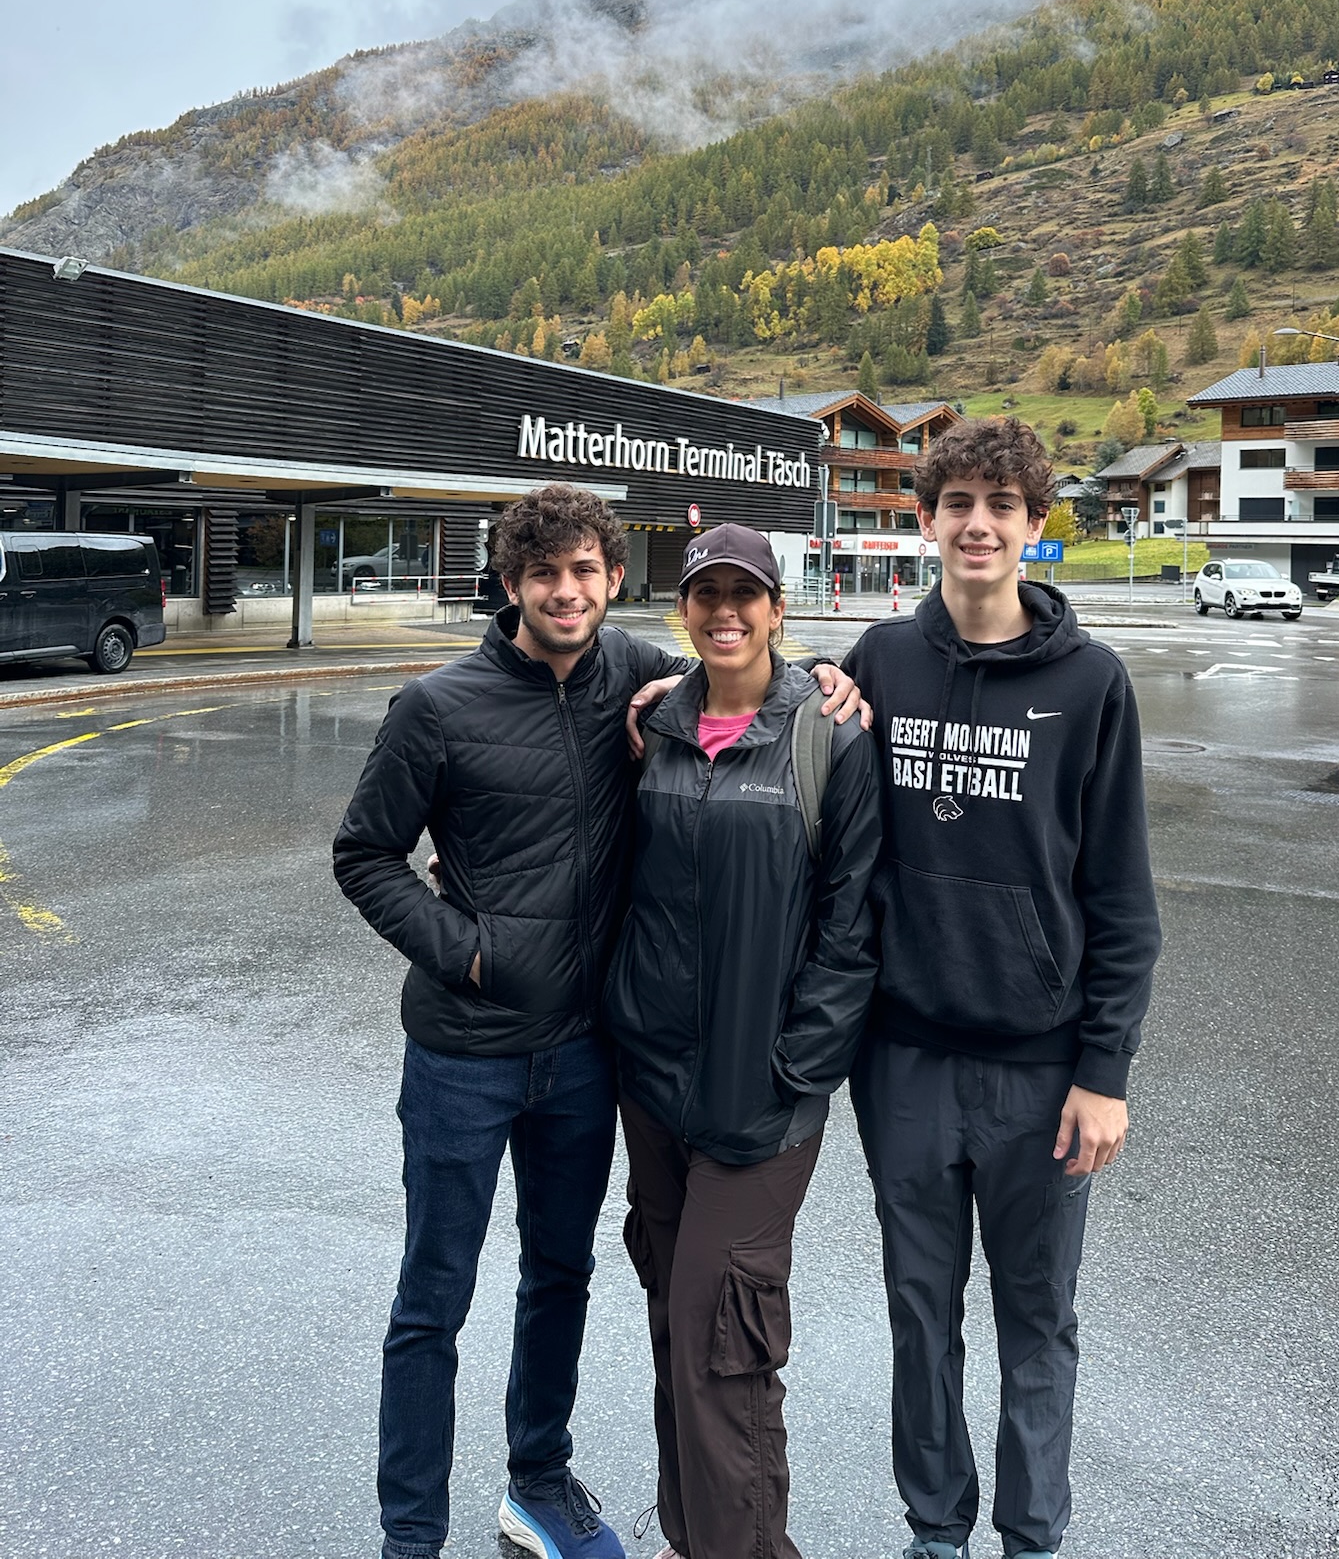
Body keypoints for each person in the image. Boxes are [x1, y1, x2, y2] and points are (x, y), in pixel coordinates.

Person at [332, 485, 862, 1559]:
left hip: (583, 1053)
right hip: (463, 1052)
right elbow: (364, 854)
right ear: (511, 583)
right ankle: (410, 1533)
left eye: (584, 570)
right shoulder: (435, 705)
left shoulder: (636, 674)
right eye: (544, 574)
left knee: (559, 1273)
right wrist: (466, 949)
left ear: (615, 576)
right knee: (433, 1298)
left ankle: (537, 1481)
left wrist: (826, 675)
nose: (565, 591)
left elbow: (742, 671)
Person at [840, 419, 1161, 1559]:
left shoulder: (1091, 682)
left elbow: (1122, 896)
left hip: (1041, 1073)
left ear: (1034, 524)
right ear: (925, 517)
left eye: (1003, 503)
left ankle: (1033, 1537)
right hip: (906, 1060)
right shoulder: (878, 661)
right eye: (958, 500)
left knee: (1038, 1321)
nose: (979, 522)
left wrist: (1103, 1074)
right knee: (920, 1317)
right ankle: (937, 1531)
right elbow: (765, 723)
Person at [605, 523, 883, 1559]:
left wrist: (799, 1067)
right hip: (656, 1085)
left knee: (726, 1338)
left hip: (762, 1095)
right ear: (683, 609)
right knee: (676, 1326)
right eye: (706, 593)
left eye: (746, 593)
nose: (726, 610)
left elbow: (854, 923)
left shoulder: (829, 734)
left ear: (778, 608)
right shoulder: (655, 727)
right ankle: (691, 1536)